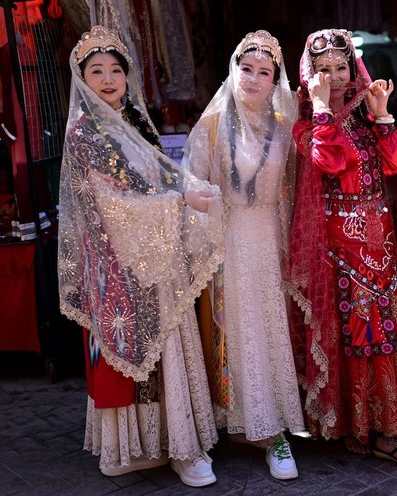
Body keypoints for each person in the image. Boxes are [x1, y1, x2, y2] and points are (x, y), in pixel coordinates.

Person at [57, 26, 223, 487]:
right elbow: (114, 204)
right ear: (81, 79)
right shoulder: (84, 133)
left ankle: (182, 446)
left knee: (169, 346)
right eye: (97, 71)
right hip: (116, 261)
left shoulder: (133, 122)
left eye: (116, 70)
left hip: (157, 253)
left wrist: (188, 189)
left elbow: (161, 178)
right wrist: (182, 204)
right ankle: (135, 448)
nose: (108, 79)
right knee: (134, 353)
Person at [284, 28, 397, 469]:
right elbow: (331, 161)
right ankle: (355, 426)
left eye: (341, 67)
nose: (334, 77)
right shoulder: (307, 124)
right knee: (353, 340)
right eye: (322, 70)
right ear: (309, 75)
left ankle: (389, 430)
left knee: (385, 336)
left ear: (354, 67)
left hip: (379, 245)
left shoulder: (368, 114)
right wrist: (324, 107)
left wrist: (383, 116)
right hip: (338, 251)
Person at [182, 30, 304, 480]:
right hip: (228, 241)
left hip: (272, 240)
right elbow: (190, 187)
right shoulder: (209, 127)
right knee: (235, 329)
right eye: (245, 68)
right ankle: (236, 420)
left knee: (271, 329)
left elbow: (298, 191)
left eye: (264, 72)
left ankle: (273, 431)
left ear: (276, 80)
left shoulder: (286, 126)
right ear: (232, 71)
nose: (252, 79)